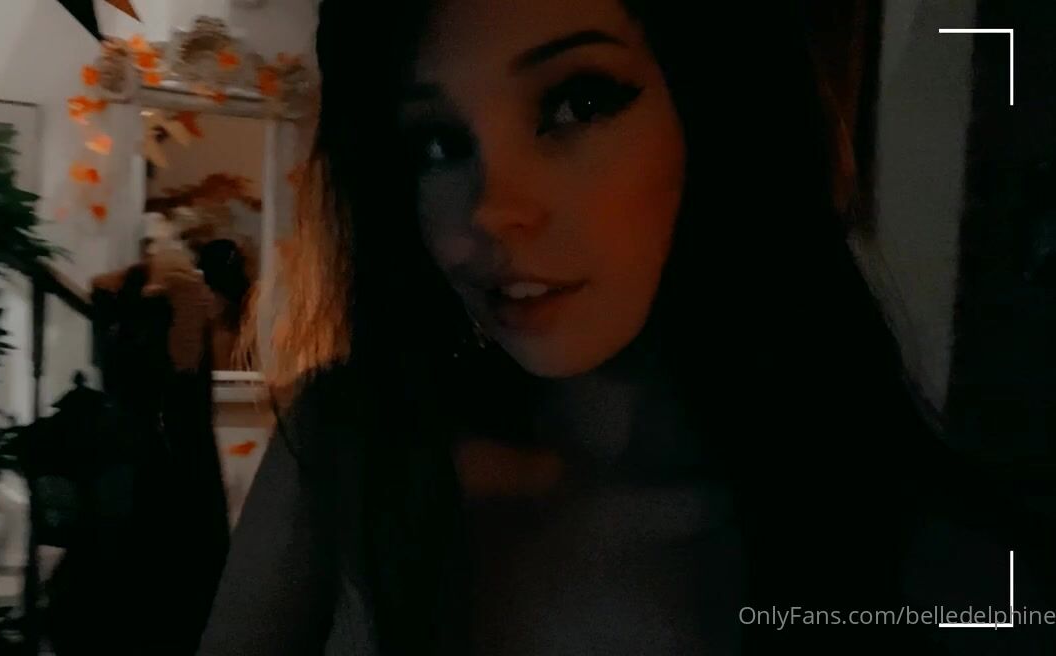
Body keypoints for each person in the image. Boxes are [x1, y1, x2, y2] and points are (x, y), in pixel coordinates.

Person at [199, 2, 1054, 655]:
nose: (490, 212)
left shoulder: (936, 554)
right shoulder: (352, 449)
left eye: (577, 102)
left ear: (713, 105)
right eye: (433, 143)